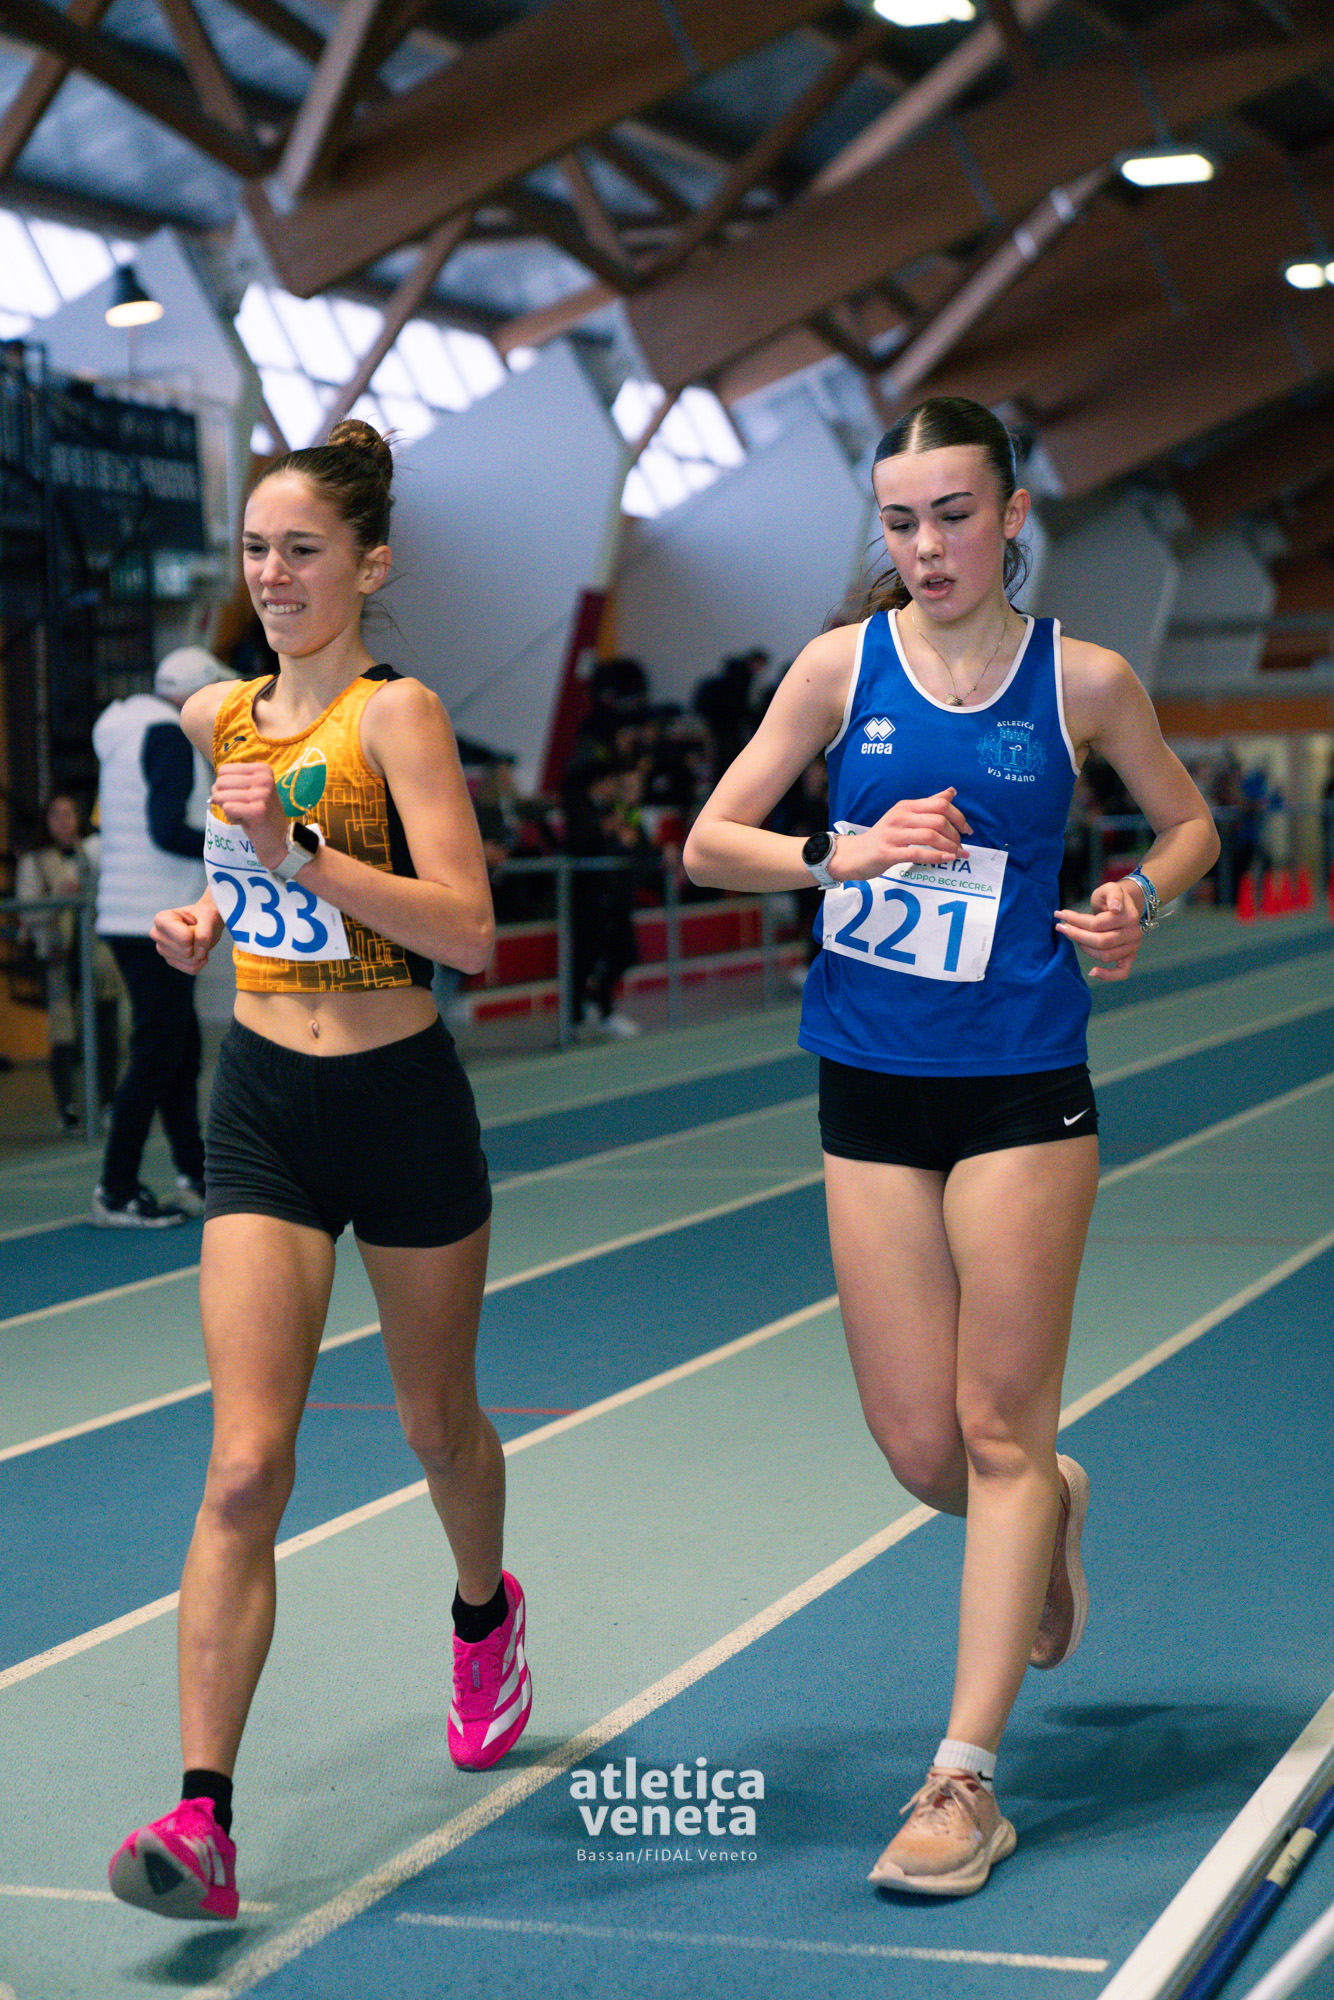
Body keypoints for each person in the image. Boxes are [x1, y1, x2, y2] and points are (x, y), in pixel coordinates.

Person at [683, 396, 1219, 1898]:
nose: (925, 547)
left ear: (1012, 516)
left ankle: (962, 1779)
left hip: (1019, 1082)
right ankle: (1048, 1502)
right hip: (868, 1086)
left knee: (995, 1424)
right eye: (900, 521)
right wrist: (836, 851)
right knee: (924, 1448)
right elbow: (710, 840)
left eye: (953, 515)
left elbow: (1186, 826)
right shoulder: (835, 669)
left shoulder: (1083, 680)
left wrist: (1136, 898)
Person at [107, 420, 530, 1925]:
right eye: (256, 550)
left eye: (302, 550)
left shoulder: (396, 716)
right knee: (243, 1465)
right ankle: (203, 1815)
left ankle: (482, 1613)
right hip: (264, 1106)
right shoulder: (217, 714)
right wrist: (211, 918)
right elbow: (244, 876)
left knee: (435, 1426)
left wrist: (298, 857)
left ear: (368, 563)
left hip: (400, 1102)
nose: (274, 574)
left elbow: (468, 931)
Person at [91, 646, 233, 1225]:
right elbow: (166, 829)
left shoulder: (126, 730)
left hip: (127, 912)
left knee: (178, 1046)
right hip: (155, 914)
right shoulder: (171, 735)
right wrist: (235, 842)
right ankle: (116, 1188)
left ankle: (194, 1174)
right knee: (158, 1051)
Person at [17, 794, 121, 1131]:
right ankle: (68, 1108)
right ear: (46, 820)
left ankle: (107, 1101)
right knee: (63, 1034)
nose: (63, 822)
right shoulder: (34, 861)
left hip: (95, 953)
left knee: (106, 1030)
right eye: (56, 815)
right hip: (57, 955)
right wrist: (58, 897)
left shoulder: (93, 852)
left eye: (69, 814)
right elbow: (27, 911)